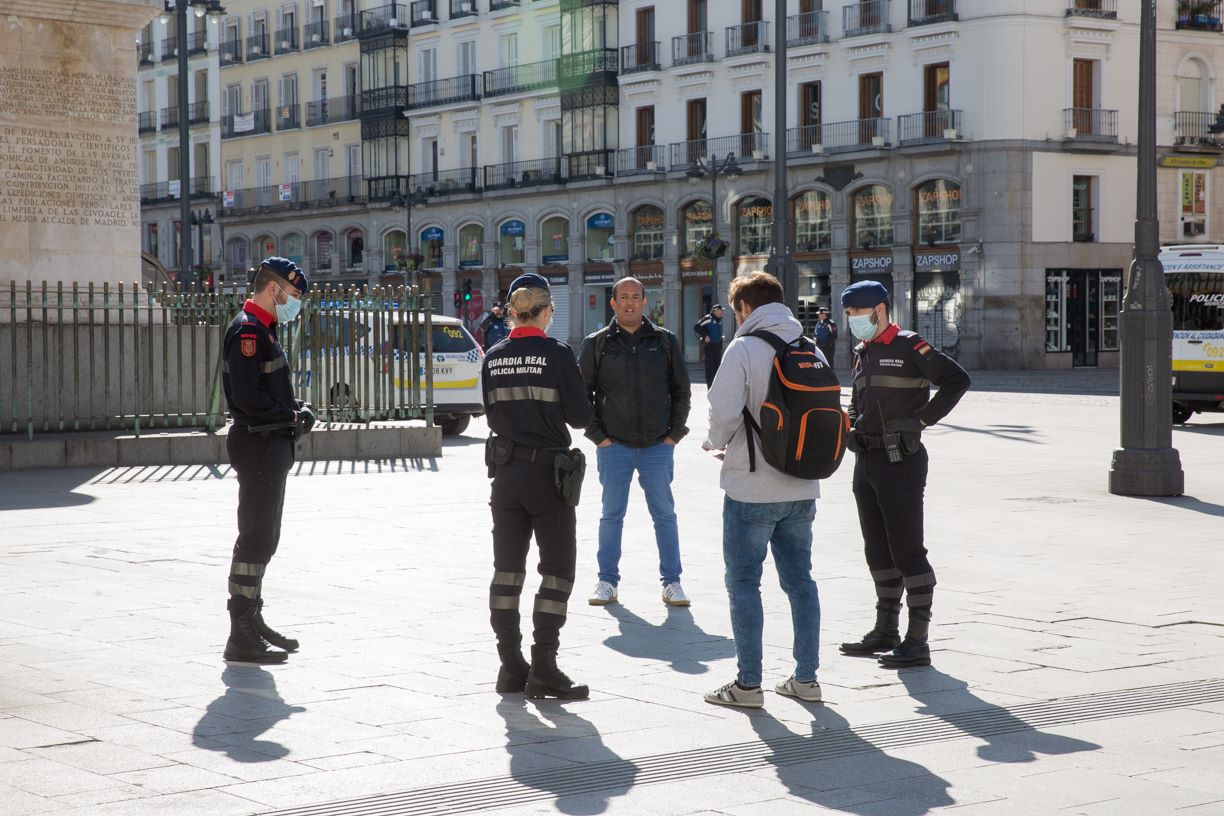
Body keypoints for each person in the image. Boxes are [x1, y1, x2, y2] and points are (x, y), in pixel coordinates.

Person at [701, 272, 825, 709]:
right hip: (802, 487)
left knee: (743, 583)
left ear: (745, 309)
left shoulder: (744, 348)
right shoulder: (809, 346)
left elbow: (722, 413)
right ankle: (806, 679)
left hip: (751, 488)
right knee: (801, 583)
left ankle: (748, 685)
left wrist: (715, 444)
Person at [838, 280, 970, 669]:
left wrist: (922, 420)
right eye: (848, 315)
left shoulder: (910, 345)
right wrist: (850, 426)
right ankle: (885, 630)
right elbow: (857, 400)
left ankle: (918, 640)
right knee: (876, 550)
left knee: (907, 550)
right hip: (867, 461)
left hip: (902, 460)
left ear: (879, 310)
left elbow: (957, 381)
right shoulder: (863, 351)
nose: (853, 322)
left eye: (857, 314)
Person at [482, 273, 593, 700]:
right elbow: (581, 417)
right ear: (546, 311)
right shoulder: (557, 353)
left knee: (506, 572)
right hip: (548, 477)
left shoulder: (494, 355)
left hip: (506, 476)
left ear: (512, 311)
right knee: (557, 571)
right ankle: (544, 664)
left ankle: (510, 665)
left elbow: (492, 412)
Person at [221, 257, 315, 665]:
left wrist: (296, 409)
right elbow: (245, 397)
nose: (296, 303)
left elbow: (267, 390)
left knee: (265, 537)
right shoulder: (247, 329)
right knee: (256, 536)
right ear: (274, 289)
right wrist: (289, 416)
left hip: (270, 444)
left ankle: (252, 620)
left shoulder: (265, 329)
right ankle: (240, 633)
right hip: (258, 443)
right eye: (294, 295)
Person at [579, 277, 692, 607]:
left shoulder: (665, 341)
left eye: (636, 297)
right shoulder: (597, 343)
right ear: (612, 304)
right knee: (611, 515)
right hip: (614, 447)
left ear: (645, 302)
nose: (629, 302)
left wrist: (674, 435)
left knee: (665, 516)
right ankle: (607, 581)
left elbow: (681, 391)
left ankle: (672, 582)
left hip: (658, 446)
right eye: (623, 297)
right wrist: (599, 438)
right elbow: (581, 395)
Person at [693, 304, 726, 385]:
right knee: (709, 369)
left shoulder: (719, 321)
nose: (722, 312)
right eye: (720, 310)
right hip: (710, 347)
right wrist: (705, 336)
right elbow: (696, 327)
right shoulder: (708, 318)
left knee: (717, 369)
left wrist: (720, 338)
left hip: (717, 347)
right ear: (715, 311)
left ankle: (716, 388)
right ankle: (710, 388)